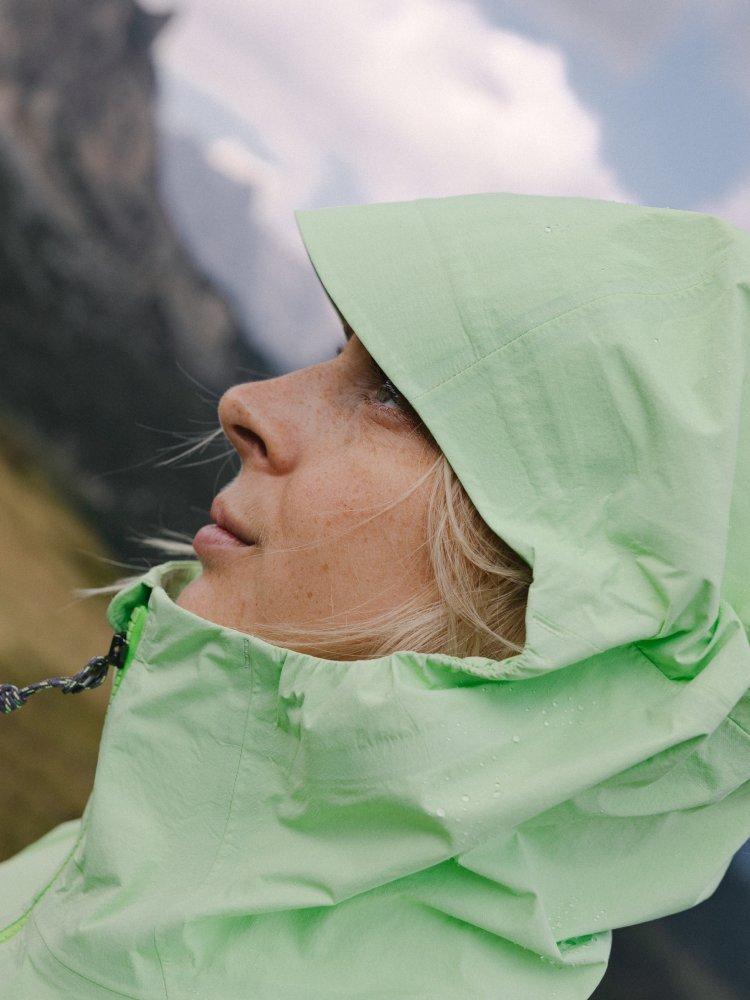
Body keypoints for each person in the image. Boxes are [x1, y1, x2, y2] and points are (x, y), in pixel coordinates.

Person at [1, 190, 749, 999]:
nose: (246, 403)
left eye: (395, 394)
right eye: (339, 354)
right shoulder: (139, 852)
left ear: (572, 606)